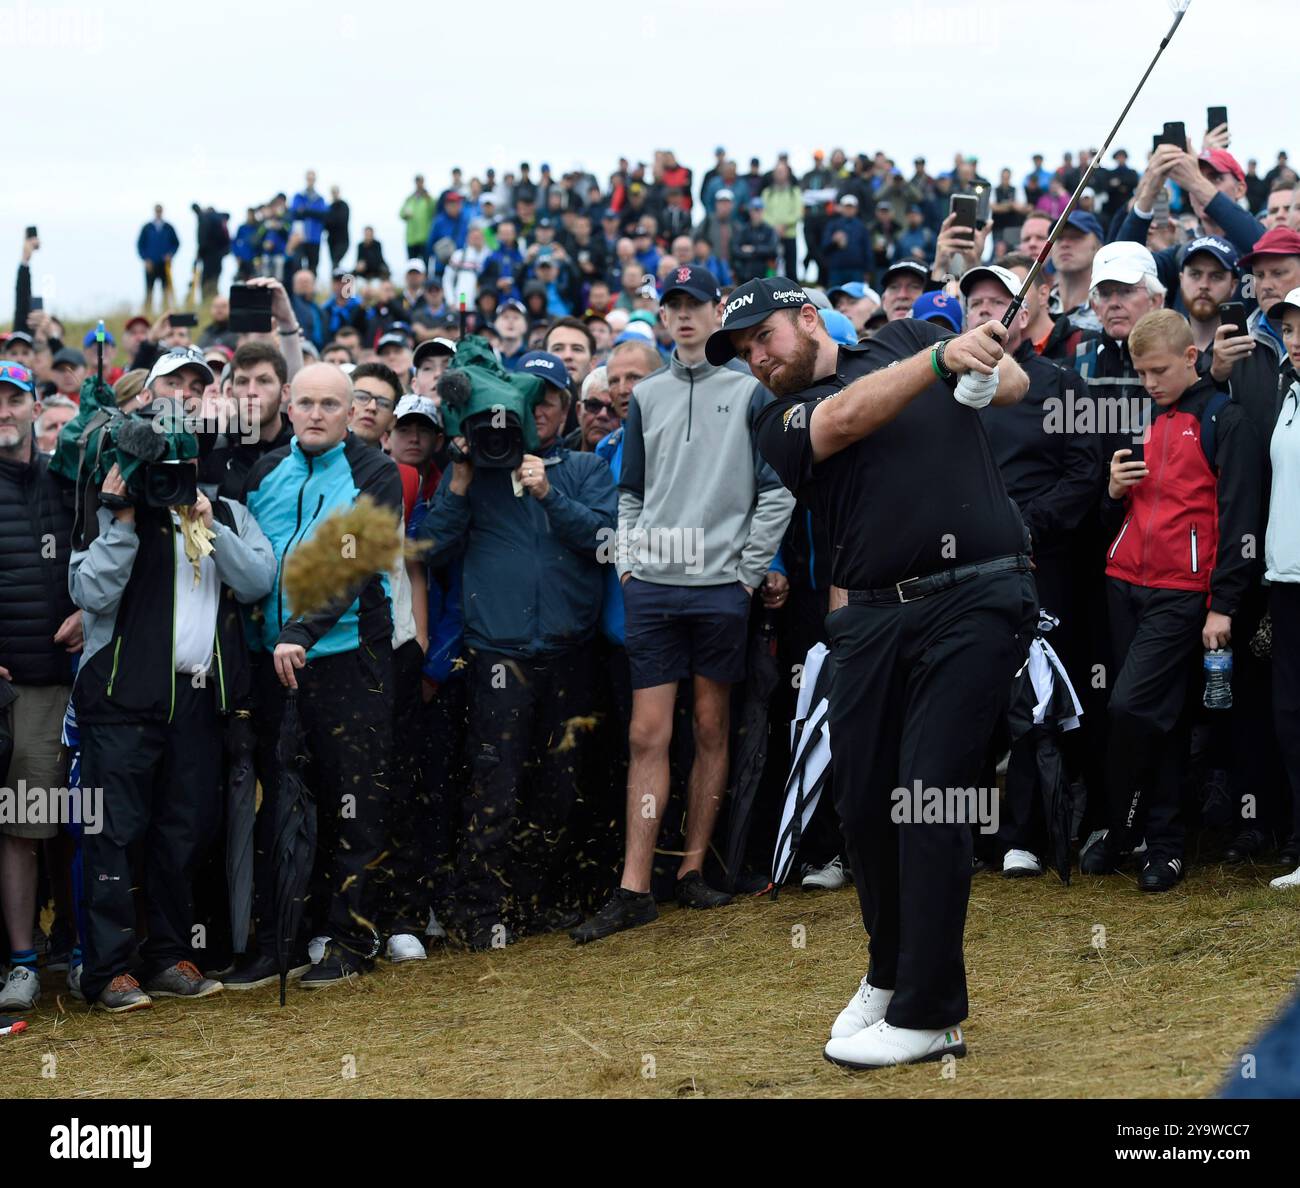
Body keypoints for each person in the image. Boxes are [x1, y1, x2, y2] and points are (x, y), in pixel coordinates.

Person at [712, 276, 1032, 1068]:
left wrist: (986, 372)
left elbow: (1015, 385)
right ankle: (890, 976)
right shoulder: (775, 416)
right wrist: (941, 357)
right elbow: (847, 417)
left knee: (928, 795)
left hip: (980, 593)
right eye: (746, 351)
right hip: (875, 619)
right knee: (863, 805)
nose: (757, 357)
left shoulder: (897, 339)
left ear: (809, 318)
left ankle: (933, 1013)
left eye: (765, 337)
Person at [572, 267, 794, 945]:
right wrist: (633, 563)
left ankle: (694, 869)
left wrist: (747, 572)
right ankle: (635, 886)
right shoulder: (648, 397)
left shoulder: (750, 392)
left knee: (709, 724)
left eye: (696, 304)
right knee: (647, 732)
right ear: (663, 316)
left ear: (716, 310)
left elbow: (776, 489)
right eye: (674, 305)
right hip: (656, 588)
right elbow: (631, 491)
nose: (686, 315)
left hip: (721, 587)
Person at [70, 348, 276, 1012]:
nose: (186, 394)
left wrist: (205, 520)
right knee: (113, 835)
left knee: (181, 833)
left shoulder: (223, 507)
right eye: (173, 384)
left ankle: (166, 957)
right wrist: (124, 519)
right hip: (118, 701)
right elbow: (89, 591)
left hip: (195, 699)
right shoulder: (111, 502)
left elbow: (257, 582)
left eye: (198, 386)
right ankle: (105, 970)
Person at [416, 349, 616, 949]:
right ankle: (480, 911)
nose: (542, 410)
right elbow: (426, 552)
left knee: (560, 784)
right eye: (534, 401)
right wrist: (457, 482)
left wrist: (551, 493)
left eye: (552, 399)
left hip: (569, 651)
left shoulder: (584, 469)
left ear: (565, 406)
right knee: (494, 786)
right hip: (497, 654)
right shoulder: (478, 469)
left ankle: (535, 902)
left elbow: (607, 543)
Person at [235, 363, 404, 988]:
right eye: (304, 402)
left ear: (349, 409)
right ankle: (280, 941)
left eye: (329, 404)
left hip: (347, 658)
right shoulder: (265, 472)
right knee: (279, 803)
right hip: (271, 663)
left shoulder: (376, 472)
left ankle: (353, 939)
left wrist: (300, 632)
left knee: (351, 800)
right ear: (286, 406)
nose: (314, 413)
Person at [1082, 310, 1261, 890]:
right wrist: (1112, 492)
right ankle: (1154, 840)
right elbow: (1117, 509)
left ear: (1191, 358)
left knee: (1133, 709)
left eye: (1158, 369)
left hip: (1182, 594)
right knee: (1155, 715)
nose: (1149, 382)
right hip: (1124, 582)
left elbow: (1240, 518)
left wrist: (1224, 604)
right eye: (1140, 372)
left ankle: (1128, 827)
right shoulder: (1142, 419)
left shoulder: (1223, 419)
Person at [961, 264, 1102, 873]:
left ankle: (1024, 834)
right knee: (962, 700)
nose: (988, 311)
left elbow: (1083, 477)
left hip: (1041, 562)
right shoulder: (941, 388)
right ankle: (960, 837)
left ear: (1023, 315)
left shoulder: (1062, 385)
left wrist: (1022, 526)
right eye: (976, 303)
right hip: (960, 566)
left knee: (1035, 697)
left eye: (1001, 301)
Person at [0, 360, 81, 1011]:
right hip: (13, 690)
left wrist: (92, 612)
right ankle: (23, 959)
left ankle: (78, 951)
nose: (3, 410)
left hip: (72, 684)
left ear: (33, 405)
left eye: (13, 399)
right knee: (22, 829)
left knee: (68, 823)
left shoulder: (67, 478)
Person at [1264, 289, 1300, 887]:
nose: (1296, 338)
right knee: (1292, 715)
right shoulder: (1287, 393)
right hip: (1285, 581)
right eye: (1290, 329)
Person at [137, 204, 179, 313]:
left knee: (165, 290)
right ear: (154, 212)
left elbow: (176, 243)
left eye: (160, 211)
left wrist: (170, 254)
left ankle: (165, 312)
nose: (158, 213)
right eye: (157, 211)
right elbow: (140, 245)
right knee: (149, 290)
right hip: (151, 264)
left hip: (165, 265)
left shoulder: (169, 227)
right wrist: (145, 259)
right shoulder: (147, 228)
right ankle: (147, 313)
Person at [821, 194, 869, 287]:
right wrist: (834, 241)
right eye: (846, 207)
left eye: (851, 207)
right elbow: (824, 246)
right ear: (841, 208)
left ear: (856, 209)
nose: (849, 210)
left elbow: (867, 249)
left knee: (856, 299)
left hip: (856, 270)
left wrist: (868, 270)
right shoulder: (833, 225)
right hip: (837, 270)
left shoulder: (861, 226)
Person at [401, 175, 436, 265]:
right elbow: (401, 214)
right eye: (417, 182)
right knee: (411, 265)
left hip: (424, 239)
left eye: (420, 181)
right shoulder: (409, 199)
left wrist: (428, 198)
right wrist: (406, 215)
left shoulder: (428, 199)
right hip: (411, 239)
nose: (419, 184)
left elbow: (434, 211)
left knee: (424, 265)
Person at [324, 185, 350, 271]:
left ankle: (339, 279)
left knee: (335, 262)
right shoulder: (329, 207)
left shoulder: (344, 205)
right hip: (332, 241)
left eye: (335, 191)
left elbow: (341, 220)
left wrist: (330, 220)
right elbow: (326, 224)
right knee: (334, 264)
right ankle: (335, 280)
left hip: (343, 241)